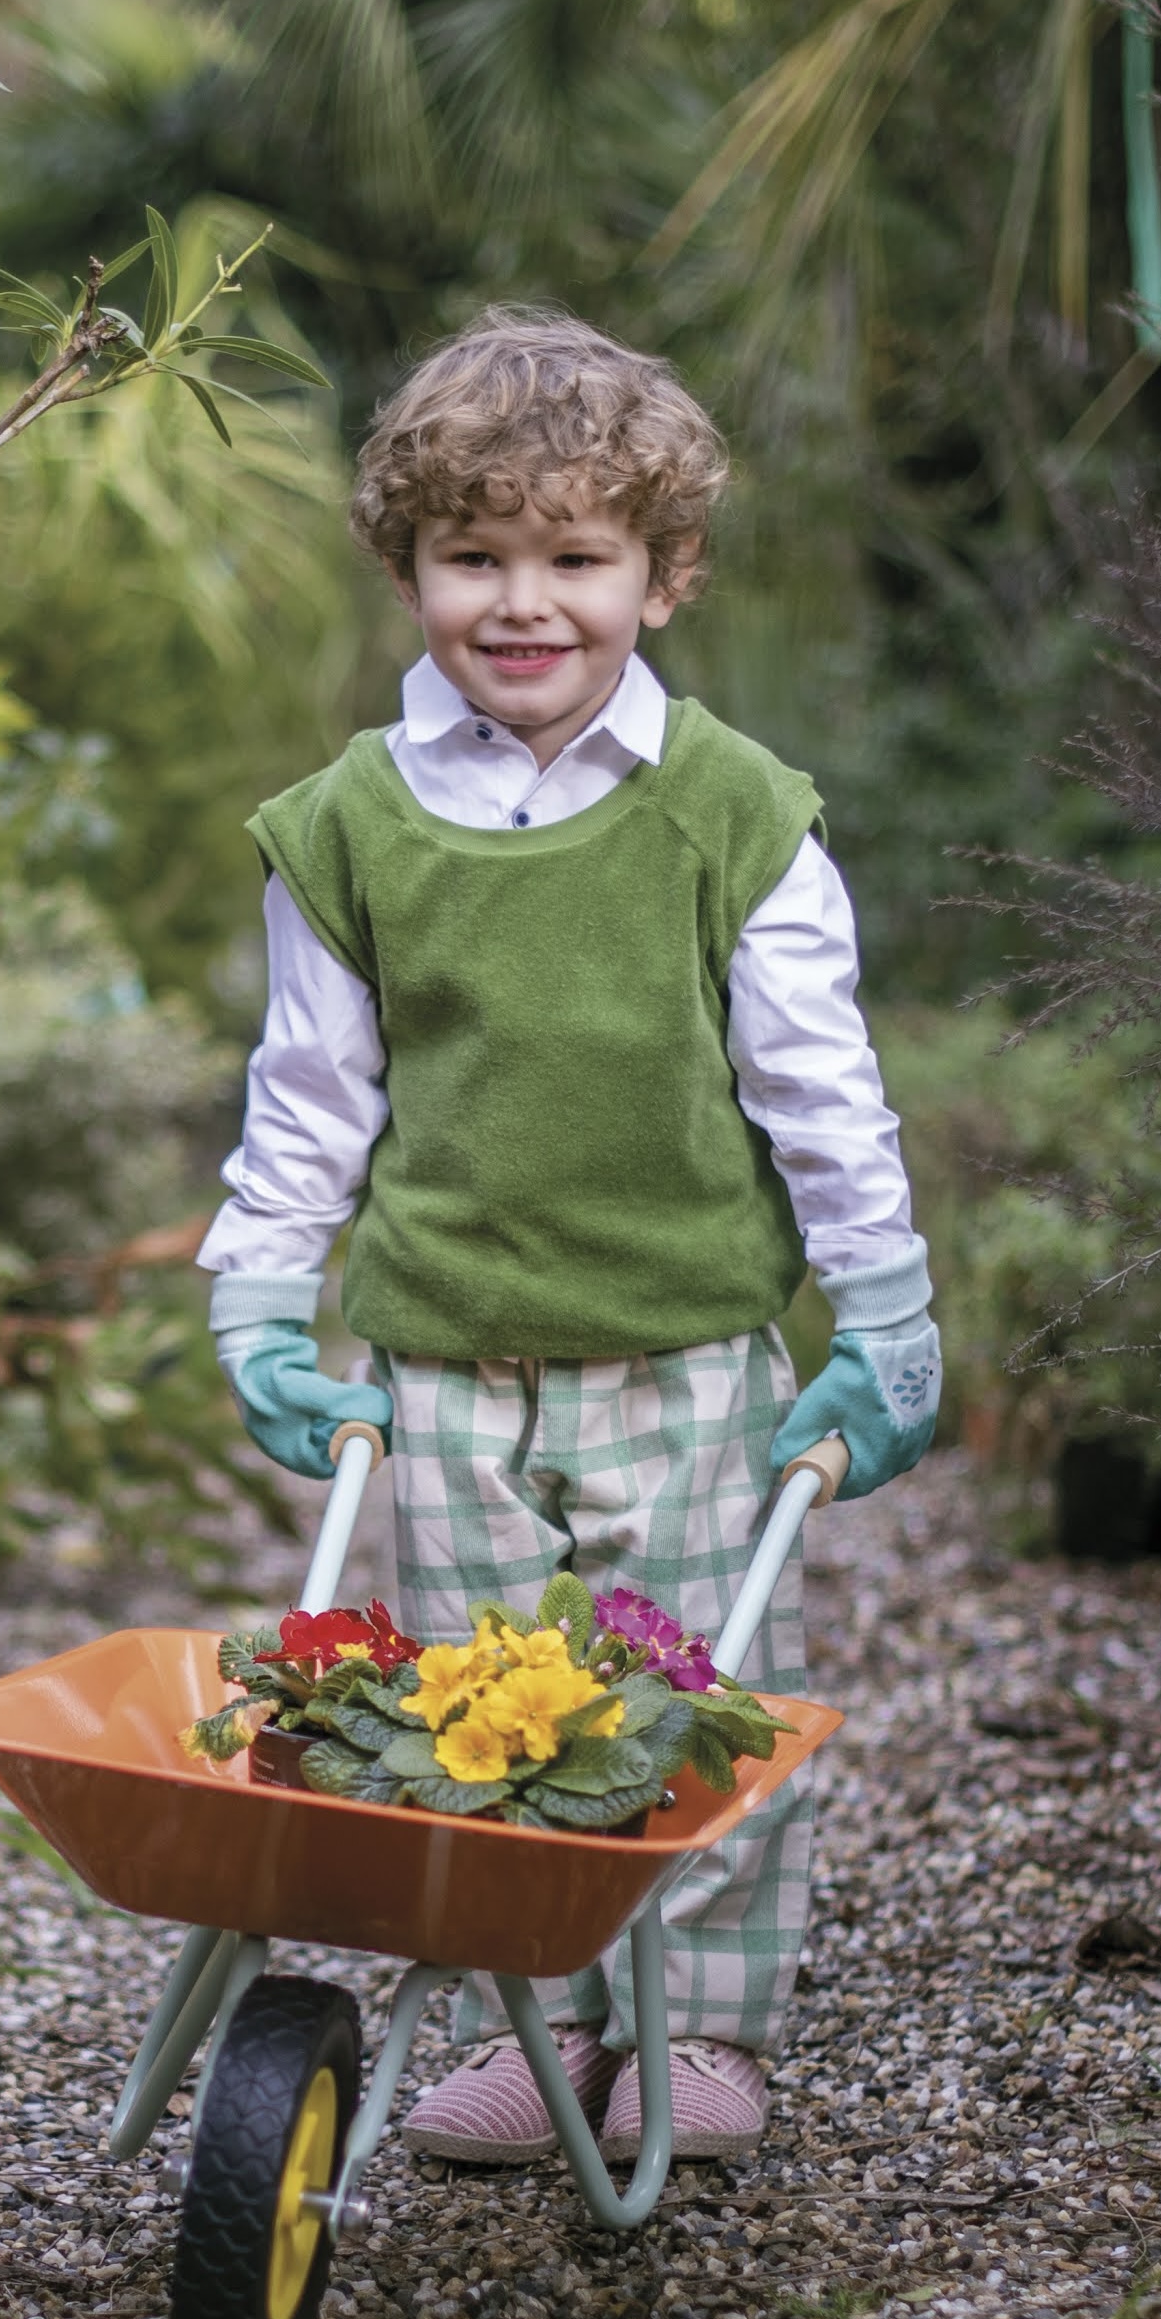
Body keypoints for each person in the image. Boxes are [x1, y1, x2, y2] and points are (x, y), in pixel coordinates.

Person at [193, 308, 934, 2167]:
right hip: (438, 1363)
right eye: (476, 556)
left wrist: (889, 1314)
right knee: (475, 1714)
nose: (524, 604)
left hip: (680, 1355)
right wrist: (267, 1300)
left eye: (577, 557)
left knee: (683, 1707)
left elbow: (820, 1090)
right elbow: (312, 1095)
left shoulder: (732, 818)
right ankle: (546, 2026)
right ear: (410, 565)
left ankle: (694, 2034)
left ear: (662, 575)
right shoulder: (351, 826)